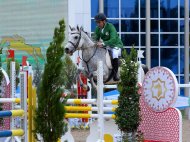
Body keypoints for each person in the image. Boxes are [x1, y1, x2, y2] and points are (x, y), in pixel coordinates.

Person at [93, 13, 123, 81]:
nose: (98, 24)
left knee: (115, 54)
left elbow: (113, 39)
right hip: (107, 46)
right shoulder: (98, 28)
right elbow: (95, 38)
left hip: (116, 45)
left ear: (104, 21)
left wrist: (103, 43)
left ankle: (115, 75)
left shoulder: (110, 26)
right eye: (97, 22)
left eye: (99, 22)